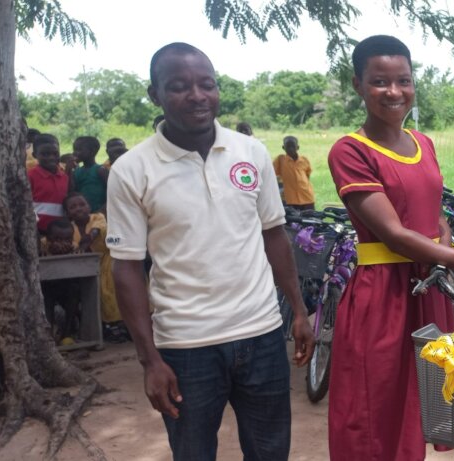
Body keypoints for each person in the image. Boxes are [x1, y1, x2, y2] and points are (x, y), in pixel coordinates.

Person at [106, 42, 313, 461]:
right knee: (194, 453)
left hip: (261, 336)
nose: (197, 96)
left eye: (207, 84)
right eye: (179, 86)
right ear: (155, 95)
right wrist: (149, 360)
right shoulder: (133, 170)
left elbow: (274, 235)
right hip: (184, 348)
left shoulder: (250, 152)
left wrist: (299, 310)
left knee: (271, 451)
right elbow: (126, 268)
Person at [325, 35, 454, 461]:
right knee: (374, 407)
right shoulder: (350, 150)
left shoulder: (424, 144)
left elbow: (435, 215)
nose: (394, 92)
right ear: (359, 84)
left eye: (403, 80)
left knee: (423, 402)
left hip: (428, 287)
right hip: (383, 295)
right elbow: (394, 235)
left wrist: (444, 250)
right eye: (380, 81)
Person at [63, 192, 126, 341]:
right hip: (85, 266)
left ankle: (118, 324)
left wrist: (89, 237)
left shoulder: (98, 218)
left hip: (107, 259)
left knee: (108, 289)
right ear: (67, 213)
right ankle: (106, 326)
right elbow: (73, 246)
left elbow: (97, 229)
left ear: (89, 207)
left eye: (82, 205)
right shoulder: (69, 229)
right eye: (73, 207)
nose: (78, 209)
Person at [39, 218, 82, 344]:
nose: (62, 243)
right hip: (47, 287)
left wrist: (73, 252)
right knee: (47, 297)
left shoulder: (74, 246)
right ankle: (48, 335)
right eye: (57, 239)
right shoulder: (42, 245)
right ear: (47, 237)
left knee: (74, 291)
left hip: (66, 287)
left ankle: (67, 333)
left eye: (67, 239)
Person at [28, 133, 71, 232]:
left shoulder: (64, 177)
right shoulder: (30, 176)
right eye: (45, 154)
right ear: (35, 155)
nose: (51, 157)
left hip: (59, 233)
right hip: (37, 230)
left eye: (55, 153)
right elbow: (25, 205)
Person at [273, 135, 316, 210]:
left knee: (310, 219)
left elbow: (307, 176)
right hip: (290, 199)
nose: (290, 149)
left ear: (298, 147)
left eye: (293, 146)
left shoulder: (304, 160)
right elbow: (272, 173)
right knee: (293, 220)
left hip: (307, 197)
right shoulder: (280, 160)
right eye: (288, 147)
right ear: (283, 148)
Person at [72, 136, 109, 213]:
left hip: (100, 212)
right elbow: (72, 192)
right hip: (82, 213)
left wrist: (102, 210)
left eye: (79, 150)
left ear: (92, 151)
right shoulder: (76, 172)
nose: (75, 153)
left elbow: (111, 192)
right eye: (74, 150)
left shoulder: (100, 170)